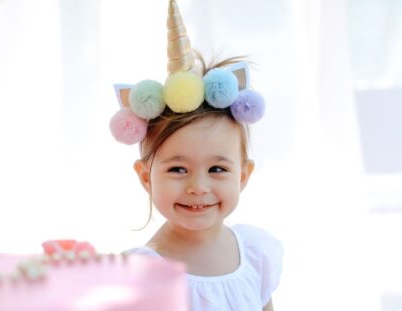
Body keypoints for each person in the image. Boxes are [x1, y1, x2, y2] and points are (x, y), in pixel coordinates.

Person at [108, 1, 282, 310]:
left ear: (242, 175)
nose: (198, 187)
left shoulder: (255, 255)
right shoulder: (143, 272)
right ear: (146, 176)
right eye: (177, 169)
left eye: (217, 169)